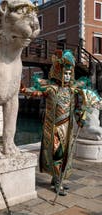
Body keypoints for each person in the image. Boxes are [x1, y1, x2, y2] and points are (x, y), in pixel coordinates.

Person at [21, 49, 102, 196]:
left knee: (66, 155)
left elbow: (79, 106)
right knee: (57, 153)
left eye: (69, 74)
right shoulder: (52, 89)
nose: (67, 76)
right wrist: (22, 88)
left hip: (68, 128)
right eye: (65, 73)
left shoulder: (72, 90)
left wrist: (81, 116)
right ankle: (58, 181)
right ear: (58, 72)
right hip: (54, 129)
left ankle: (57, 178)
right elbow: (34, 91)